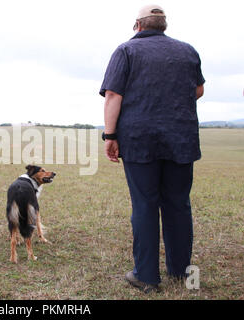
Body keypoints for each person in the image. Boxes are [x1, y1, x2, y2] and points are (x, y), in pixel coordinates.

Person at [100, 4, 205, 293]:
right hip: (180, 139)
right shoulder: (188, 51)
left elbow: (112, 94)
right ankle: (180, 270)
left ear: (138, 26)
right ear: (164, 26)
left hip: (139, 140)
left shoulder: (126, 51)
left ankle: (146, 276)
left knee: (145, 205)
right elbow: (198, 90)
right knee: (178, 203)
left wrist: (110, 135)